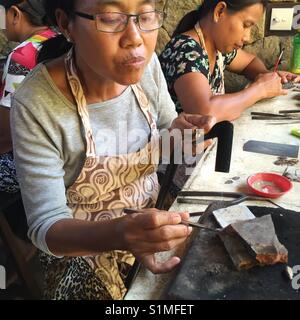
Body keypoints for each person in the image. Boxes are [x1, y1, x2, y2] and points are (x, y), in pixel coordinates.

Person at [11, 0, 216, 300]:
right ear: (67, 24)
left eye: (146, 15)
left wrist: (182, 135)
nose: (135, 37)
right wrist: (120, 235)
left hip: (152, 222)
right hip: (81, 258)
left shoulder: (146, 66)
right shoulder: (37, 103)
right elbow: (46, 226)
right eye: (110, 18)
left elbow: (166, 131)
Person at [159, 0, 300, 122]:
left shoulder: (218, 49)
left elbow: (249, 62)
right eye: (246, 25)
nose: (247, 37)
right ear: (220, 11)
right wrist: (260, 89)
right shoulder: (185, 50)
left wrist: (264, 75)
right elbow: (204, 112)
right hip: (181, 149)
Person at [0, 0, 56, 193]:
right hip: (62, 155)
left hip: (35, 166)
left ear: (15, 14)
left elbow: (7, 135)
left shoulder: (21, 56)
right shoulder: (56, 39)